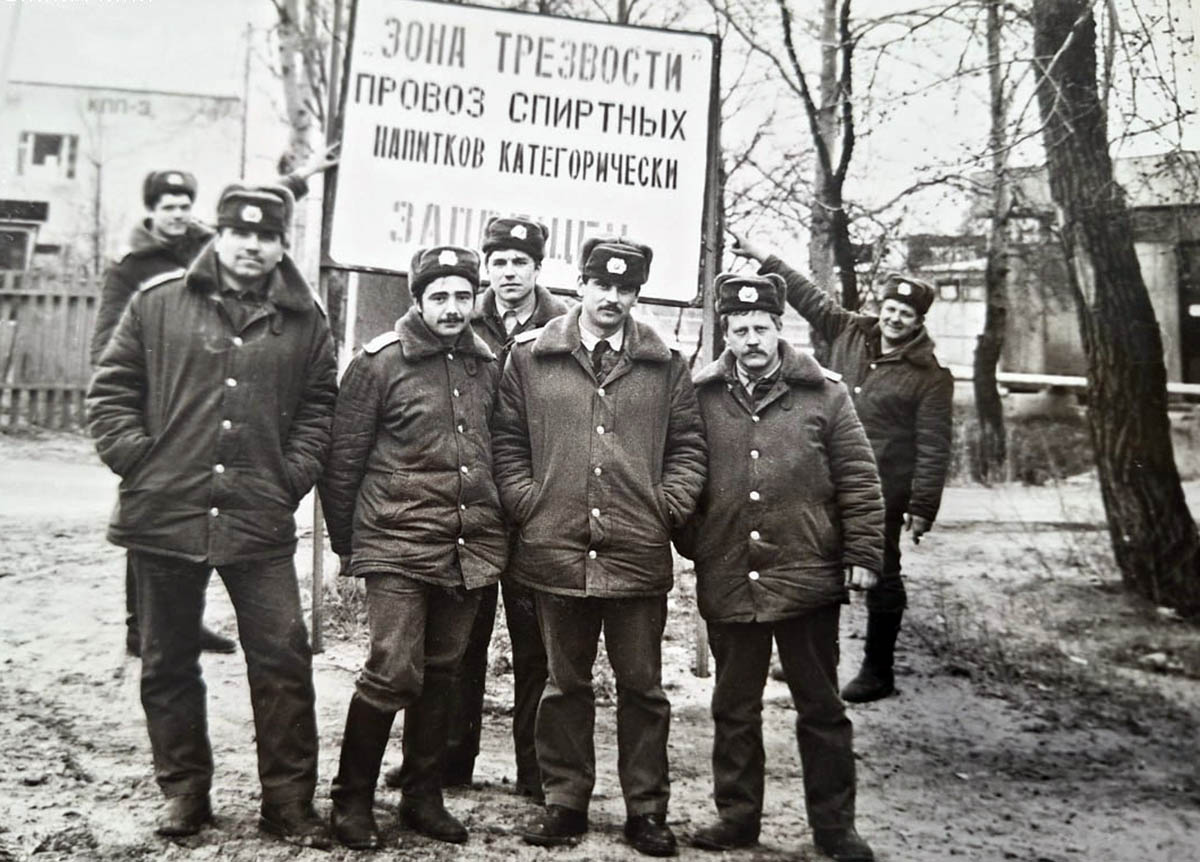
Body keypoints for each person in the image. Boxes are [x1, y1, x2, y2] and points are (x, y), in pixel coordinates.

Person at [86, 184, 338, 846]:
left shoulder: (305, 320)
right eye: (240, 233)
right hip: (164, 512)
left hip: (259, 515)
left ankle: (288, 802)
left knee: (283, 657)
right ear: (219, 236)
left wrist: (289, 477)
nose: (252, 246)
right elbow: (111, 392)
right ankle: (184, 792)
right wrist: (141, 462)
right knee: (167, 658)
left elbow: (320, 409)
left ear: (282, 244)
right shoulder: (158, 302)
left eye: (266, 236)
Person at [492, 236, 707, 857]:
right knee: (564, 683)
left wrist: (665, 508)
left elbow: (689, 447)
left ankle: (647, 810)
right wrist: (530, 503)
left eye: (625, 288)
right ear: (580, 284)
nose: (612, 297)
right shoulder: (530, 357)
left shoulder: (665, 362)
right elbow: (506, 441)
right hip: (556, 549)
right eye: (602, 285)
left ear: (637, 293)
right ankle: (565, 802)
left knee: (643, 688)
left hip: (636, 550)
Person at [91, 149, 338, 658]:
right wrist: (139, 449)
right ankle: (144, 625)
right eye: (168, 207)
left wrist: (301, 177)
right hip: (167, 417)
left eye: (185, 205)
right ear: (151, 212)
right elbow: (112, 355)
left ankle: (184, 622)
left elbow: (259, 212)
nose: (178, 214)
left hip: (231, 417)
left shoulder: (209, 245)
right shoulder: (135, 270)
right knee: (158, 535)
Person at [675, 273, 884, 862]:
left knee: (821, 708)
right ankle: (737, 818)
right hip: (730, 575)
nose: (751, 340)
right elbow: (683, 472)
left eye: (761, 328)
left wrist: (863, 554)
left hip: (806, 576)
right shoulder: (700, 396)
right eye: (740, 329)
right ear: (726, 333)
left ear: (779, 327)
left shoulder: (826, 394)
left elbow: (860, 479)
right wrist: (700, 542)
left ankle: (835, 828)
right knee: (733, 707)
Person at [320, 246, 508, 850]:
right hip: (396, 543)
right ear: (418, 300)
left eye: (462, 296)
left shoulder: (487, 364)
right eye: (439, 297)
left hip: (467, 545)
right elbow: (342, 462)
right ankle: (351, 800)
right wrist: (350, 547)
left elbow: (499, 451)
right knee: (393, 669)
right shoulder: (379, 363)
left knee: (444, 672)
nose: (452, 309)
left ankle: (423, 797)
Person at [730, 231, 954, 704]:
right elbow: (805, 294)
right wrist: (763, 256)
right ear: (881, 307)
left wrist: (922, 505)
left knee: (881, 572)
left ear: (918, 321)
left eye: (906, 314)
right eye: (891, 308)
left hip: (880, 490)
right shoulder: (849, 330)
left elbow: (934, 444)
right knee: (812, 565)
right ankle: (812, 659)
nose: (895, 318)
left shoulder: (931, 377)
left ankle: (878, 670)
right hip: (820, 478)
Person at [416, 216, 568, 799]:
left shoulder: (563, 325)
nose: (509, 273)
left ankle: (537, 769)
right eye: (499, 262)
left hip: (535, 506)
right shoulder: (461, 317)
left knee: (536, 645)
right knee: (460, 643)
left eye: (520, 262)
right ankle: (450, 760)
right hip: (473, 506)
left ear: (538, 268)